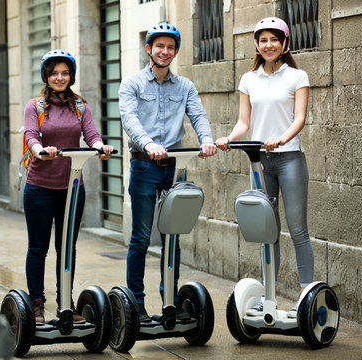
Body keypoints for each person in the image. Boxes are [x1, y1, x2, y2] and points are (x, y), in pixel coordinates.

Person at [119, 22, 217, 322]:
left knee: (172, 237)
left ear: (176, 51)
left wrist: (207, 140)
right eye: (159, 46)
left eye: (171, 47)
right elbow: (129, 119)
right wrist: (148, 143)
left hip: (174, 168)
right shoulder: (132, 83)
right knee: (141, 238)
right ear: (149, 49)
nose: (165, 51)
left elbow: (198, 114)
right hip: (144, 166)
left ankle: (170, 302)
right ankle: (136, 303)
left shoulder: (184, 85)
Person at [215, 17, 312, 318]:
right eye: (263, 40)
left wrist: (280, 138)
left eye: (274, 39)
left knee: (298, 230)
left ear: (284, 44)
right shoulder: (249, 79)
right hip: (261, 162)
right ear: (257, 45)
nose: (268, 45)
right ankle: (268, 295)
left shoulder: (297, 77)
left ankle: (306, 293)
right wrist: (228, 138)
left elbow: (299, 119)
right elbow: (245, 122)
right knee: (267, 230)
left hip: (290, 158)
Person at [23, 49, 113, 325]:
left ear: (71, 76)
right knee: (38, 247)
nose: (60, 78)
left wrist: (100, 147)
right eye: (54, 73)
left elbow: (92, 134)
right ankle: (36, 303)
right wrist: (39, 151)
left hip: (73, 187)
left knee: (67, 247)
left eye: (65, 73)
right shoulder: (35, 106)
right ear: (46, 77)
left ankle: (66, 302)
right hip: (39, 186)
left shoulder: (80, 106)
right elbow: (30, 135)